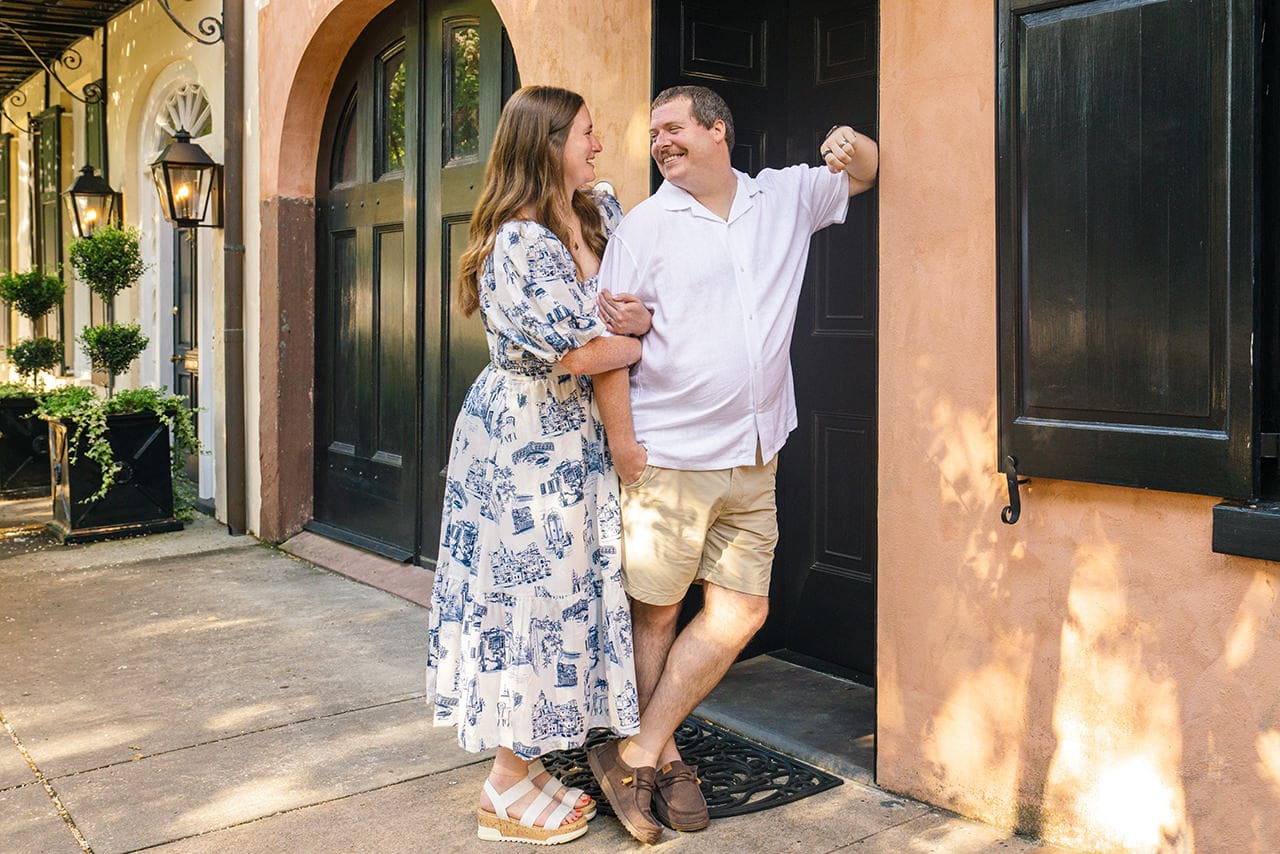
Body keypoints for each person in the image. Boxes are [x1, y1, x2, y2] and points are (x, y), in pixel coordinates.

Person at [588, 85, 879, 844]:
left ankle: (637, 751)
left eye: (674, 127)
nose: (661, 142)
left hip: (756, 453)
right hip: (670, 456)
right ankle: (665, 760)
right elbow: (607, 347)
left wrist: (852, 143)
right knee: (657, 614)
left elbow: (863, 174)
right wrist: (625, 447)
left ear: (718, 130)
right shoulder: (644, 228)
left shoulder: (782, 198)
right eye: (654, 132)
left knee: (743, 609)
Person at [424, 85, 653, 847]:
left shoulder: (595, 212)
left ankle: (526, 767)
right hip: (528, 442)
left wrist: (635, 324)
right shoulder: (520, 242)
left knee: (564, 600)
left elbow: (633, 303)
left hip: (567, 436)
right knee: (531, 601)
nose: (598, 144)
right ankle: (502, 787)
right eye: (586, 132)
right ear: (547, 144)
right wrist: (638, 338)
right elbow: (584, 351)